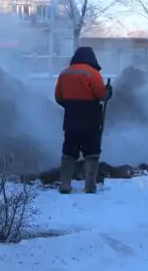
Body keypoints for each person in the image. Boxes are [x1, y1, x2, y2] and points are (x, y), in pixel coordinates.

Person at [54, 46, 111, 195]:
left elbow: (58, 97)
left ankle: (65, 184)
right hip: (90, 118)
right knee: (91, 152)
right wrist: (108, 92)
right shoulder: (93, 73)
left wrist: (71, 105)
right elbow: (101, 95)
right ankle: (90, 185)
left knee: (69, 150)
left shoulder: (65, 73)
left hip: (71, 118)